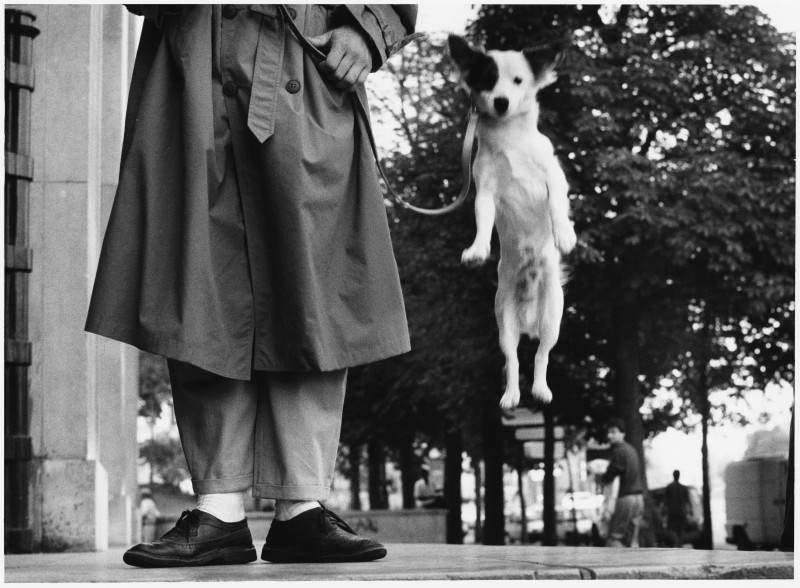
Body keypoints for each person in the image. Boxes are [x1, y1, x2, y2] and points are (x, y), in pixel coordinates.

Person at [85, 5, 418, 567]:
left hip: (308, 60)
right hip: (192, 63)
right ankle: (218, 510)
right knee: (198, 283)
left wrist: (371, 27)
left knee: (314, 290)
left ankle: (301, 507)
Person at [601, 418, 644, 547]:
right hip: (639, 499)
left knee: (614, 539)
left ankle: (617, 565)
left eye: (613, 432)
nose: (609, 436)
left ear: (623, 433)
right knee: (632, 539)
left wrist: (602, 476)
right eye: (609, 432)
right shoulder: (632, 450)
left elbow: (610, 476)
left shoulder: (618, 451)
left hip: (626, 498)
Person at [664, 469, 691, 547]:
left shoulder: (669, 487)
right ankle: (679, 544)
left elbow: (665, 501)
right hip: (681, 512)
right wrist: (689, 512)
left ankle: (675, 543)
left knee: (672, 530)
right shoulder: (683, 488)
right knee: (680, 530)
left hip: (672, 512)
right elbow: (687, 502)